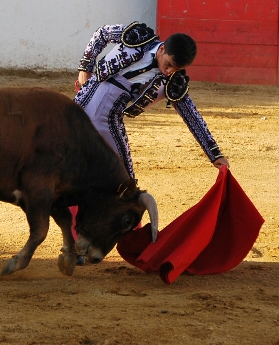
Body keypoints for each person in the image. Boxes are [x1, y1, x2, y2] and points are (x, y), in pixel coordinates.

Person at [70, 23, 229, 265]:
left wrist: (213, 153)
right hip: (80, 106)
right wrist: (85, 66)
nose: (168, 72)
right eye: (168, 65)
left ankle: (88, 242)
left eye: (176, 69)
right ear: (162, 49)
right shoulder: (138, 37)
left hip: (107, 122)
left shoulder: (173, 82)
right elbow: (102, 34)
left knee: (122, 187)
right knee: (116, 184)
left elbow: (191, 114)